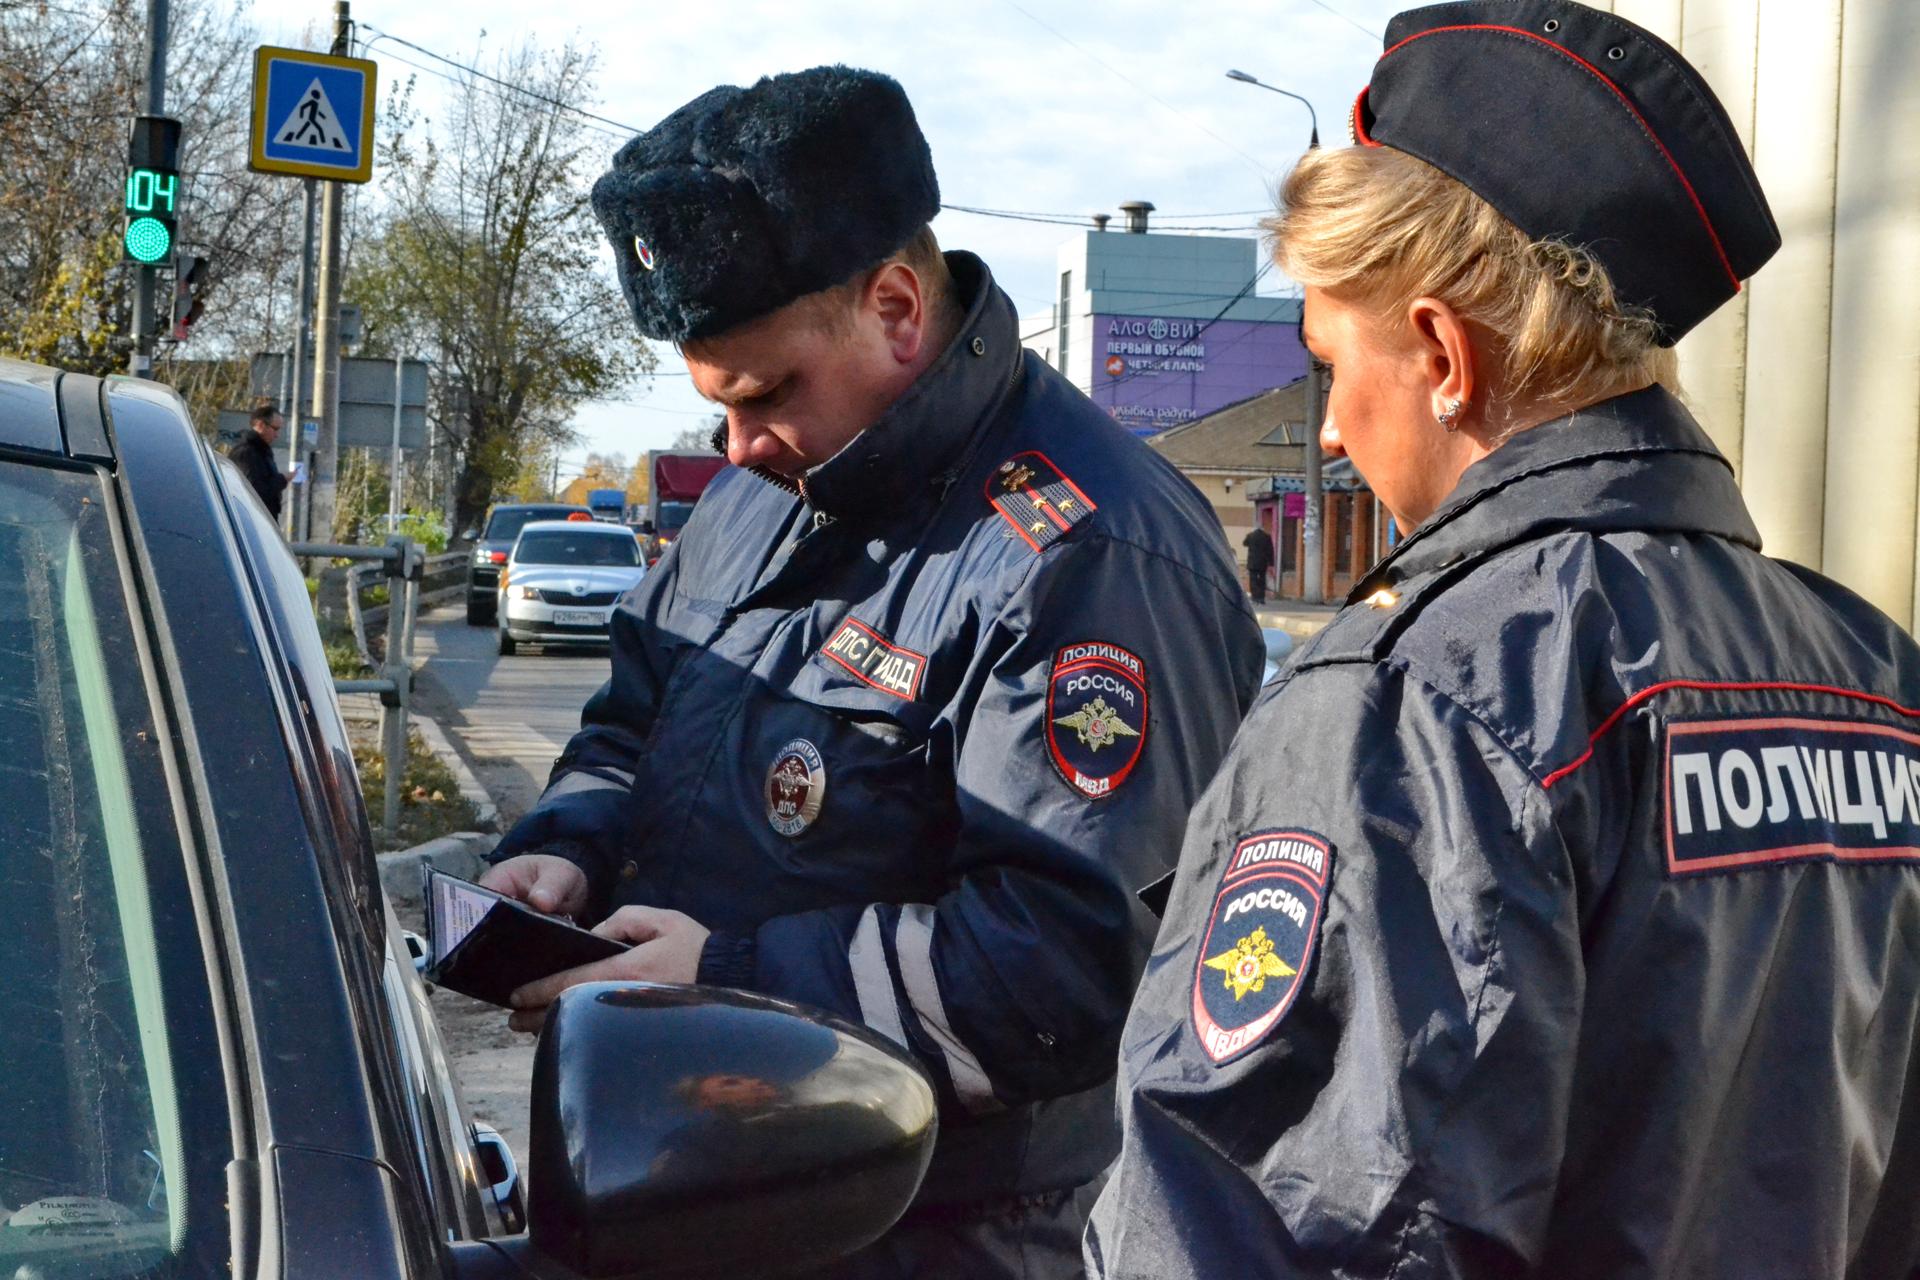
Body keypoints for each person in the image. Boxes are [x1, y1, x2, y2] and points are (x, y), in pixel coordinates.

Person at [1089, 2, 1920, 1275]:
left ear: (1441, 351)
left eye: (1328, 363)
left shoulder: (1410, 700)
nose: (1324, 432)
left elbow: (1261, 1232)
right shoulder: (1869, 672)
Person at [478, 66, 1266, 1277]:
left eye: (766, 393)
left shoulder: (1088, 552)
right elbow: (632, 710)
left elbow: (1069, 961)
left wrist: (732, 984)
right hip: (688, 1182)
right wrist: (571, 846)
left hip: (921, 1233)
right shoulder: (763, 487)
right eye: (716, 410)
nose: (736, 446)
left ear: (898, 306)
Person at [227, 398, 288, 519]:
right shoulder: (246, 452)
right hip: (252, 520)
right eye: (275, 429)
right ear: (261, 425)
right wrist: (282, 479)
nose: (277, 435)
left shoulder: (262, 451)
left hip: (263, 519)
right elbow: (254, 491)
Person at [1241, 523, 1274, 603]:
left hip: (1252, 562)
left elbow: (1244, 543)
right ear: (1262, 528)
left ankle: (1254, 597)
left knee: (1253, 580)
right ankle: (1261, 597)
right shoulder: (1266, 537)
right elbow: (1270, 551)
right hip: (1262, 562)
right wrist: (1271, 563)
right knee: (1262, 580)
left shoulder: (1250, 536)